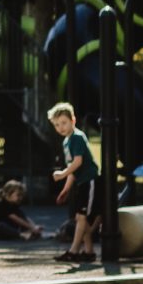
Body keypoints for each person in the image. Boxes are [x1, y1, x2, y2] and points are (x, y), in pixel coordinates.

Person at [48, 100, 100, 265]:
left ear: (73, 120)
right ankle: (89, 251)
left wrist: (63, 174)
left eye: (63, 123)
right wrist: (65, 189)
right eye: (56, 125)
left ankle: (74, 250)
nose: (60, 127)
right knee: (80, 218)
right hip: (81, 182)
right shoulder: (66, 141)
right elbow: (73, 169)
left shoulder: (77, 137)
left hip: (90, 181)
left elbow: (77, 163)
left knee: (81, 218)